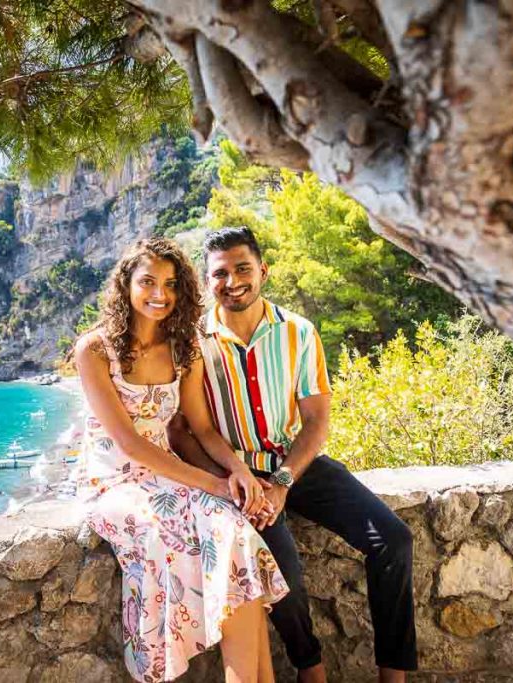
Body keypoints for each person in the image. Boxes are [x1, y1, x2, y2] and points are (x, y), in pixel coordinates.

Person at [168, 227, 418, 682]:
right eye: (220, 273)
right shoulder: (192, 343)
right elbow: (186, 431)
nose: (233, 281)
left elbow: (317, 421)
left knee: (393, 539)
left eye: (243, 268)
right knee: (285, 573)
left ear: (263, 270)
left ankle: (393, 676)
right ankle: (311, 669)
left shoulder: (298, 332)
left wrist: (283, 481)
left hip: (294, 465)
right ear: (208, 283)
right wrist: (237, 478)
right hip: (235, 476)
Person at [73, 237, 290, 683]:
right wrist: (214, 484)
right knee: (160, 541)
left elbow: (203, 429)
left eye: (171, 284)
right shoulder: (94, 350)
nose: (160, 294)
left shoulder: (183, 346)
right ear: (126, 285)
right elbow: (131, 446)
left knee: (233, 529)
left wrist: (240, 474)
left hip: (167, 477)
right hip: (112, 483)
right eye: (147, 281)